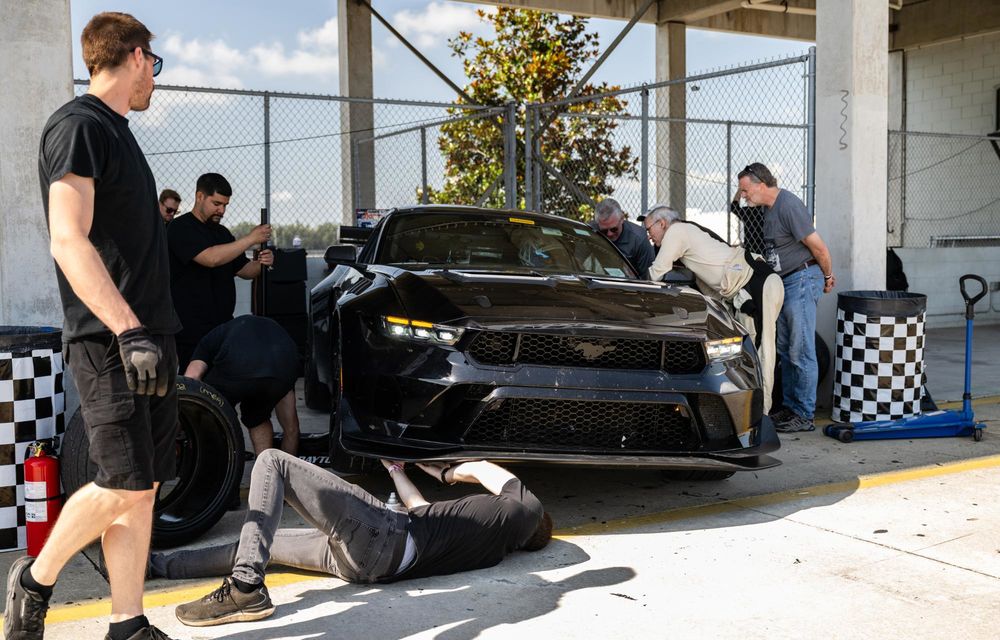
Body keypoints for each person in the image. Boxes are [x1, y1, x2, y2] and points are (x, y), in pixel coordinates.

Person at [8, 12, 178, 640]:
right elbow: (67, 239)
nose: (153, 82)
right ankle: (34, 577)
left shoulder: (119, 133)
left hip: (148, 333)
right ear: (136, 57)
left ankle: (127, 622)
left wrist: (150, 331)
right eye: (153, 68)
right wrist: (128, 330)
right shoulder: (79, 126)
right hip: (110, 340)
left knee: (144, 488)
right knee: (119, 482)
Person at [160, 452, 551, 627]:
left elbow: (484, 468)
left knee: (271, 462)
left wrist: (447, 473)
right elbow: (421, 509)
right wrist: (397, 471)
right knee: (261, 542)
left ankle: (245, 586)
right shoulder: (488, 544)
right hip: (368, 565)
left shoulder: (523, 510)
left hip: (383, 537)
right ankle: (154, 565)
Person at [644, 205, 784, 414]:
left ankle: (761, 415)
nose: (649, 236)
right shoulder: (689, 236)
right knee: (748, 351)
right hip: (746, 288)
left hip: (756, 282)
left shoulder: (676, 231)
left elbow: (656, 273)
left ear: (662, 223)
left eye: (649, 229)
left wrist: (634, 287)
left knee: (762, 350)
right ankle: (751, 412)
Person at [736, 162, 836, 433]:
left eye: (745, 189)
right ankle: (791, 408)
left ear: (760, 184)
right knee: (784, 347)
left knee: (800, 348)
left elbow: (819, 248)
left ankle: (804, 414)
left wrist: (827, 277)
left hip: (802, 279)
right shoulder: (769, 210)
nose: (743, 195)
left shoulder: (789, 205)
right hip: (784, 283)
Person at [167, 173, 274, 370]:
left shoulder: (222, 233)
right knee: (196, 390)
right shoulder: (179, 228)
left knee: (223, 388)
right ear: (200, 196)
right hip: (190, 331)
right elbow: (211, 258)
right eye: (216, 203)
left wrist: (262, 262)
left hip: (223, 327)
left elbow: (245, 270)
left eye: (225, 205)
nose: (222, 210)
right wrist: (250, 239)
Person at [184, 315, 300, 455]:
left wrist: (186, 422)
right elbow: (292, 429)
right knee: (257, 418)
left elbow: (191, 379)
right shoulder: (278, 348)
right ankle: (267, 473)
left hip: (237, 366)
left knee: (214, 406)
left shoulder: (211, 338)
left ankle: (216, 459)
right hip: (284, 367)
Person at [592, 198, 655, 278]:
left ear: (622, 219)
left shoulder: (638, 239)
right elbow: (577, 260)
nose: (609, 234)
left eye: (614, 229)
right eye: (604, 231)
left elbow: (648, 277)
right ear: (598, 224)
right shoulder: (591, 232)